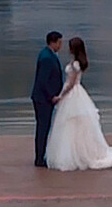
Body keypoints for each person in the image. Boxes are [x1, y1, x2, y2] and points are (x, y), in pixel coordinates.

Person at [44, 37, 112, 171]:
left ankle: (78, 154)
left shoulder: (75, 64)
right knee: (78, 123)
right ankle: (81, 151)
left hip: (73, 93)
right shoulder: (78, 63)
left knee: (71, 123)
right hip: (78, 92)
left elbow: (71, 83)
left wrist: (60, 96)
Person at [30, 31, 65, 167]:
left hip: (43, 98)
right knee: (43, 128)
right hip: (43, 100)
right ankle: (39, 158)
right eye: (60, 43)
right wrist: (52, 96)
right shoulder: (46, 58)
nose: (61, 45)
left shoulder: (48, 54)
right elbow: (42, 80)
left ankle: (41, 155)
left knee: (44, 127)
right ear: (53, 42)